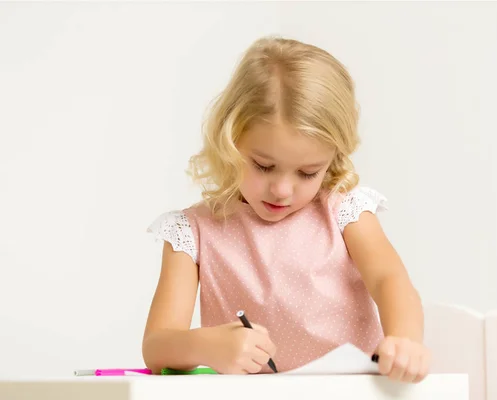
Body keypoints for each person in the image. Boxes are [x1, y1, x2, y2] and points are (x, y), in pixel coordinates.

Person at [143, 36, 430, 383]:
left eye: (308, 173)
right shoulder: (192, 233)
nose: (281, 190)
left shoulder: (343, 211)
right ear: (230, 140)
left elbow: (389, 279)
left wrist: (405, 340)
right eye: (264, 166)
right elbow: (157, 347)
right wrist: (206, 346)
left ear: (331, 161)